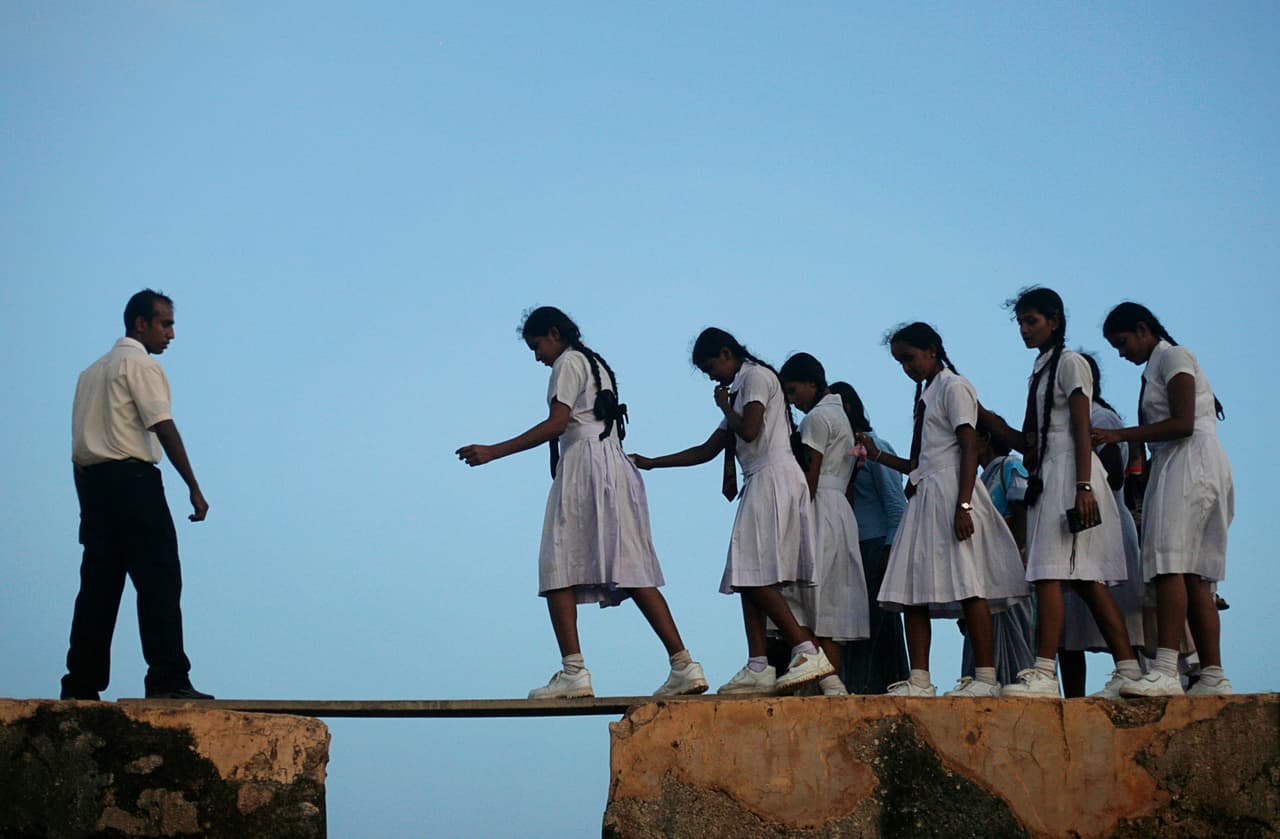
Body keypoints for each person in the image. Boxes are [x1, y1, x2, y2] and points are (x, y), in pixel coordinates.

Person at [456, 306, 706, 699]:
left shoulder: (568, 363)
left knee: (556, 563)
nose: (537, 356)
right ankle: (683, 663)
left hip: (586, 466)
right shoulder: (597, 364)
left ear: (554, 334)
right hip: (613, 464)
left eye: (537, 346)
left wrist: (493, 451)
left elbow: (558, 424)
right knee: (631, 565)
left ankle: (573, 670)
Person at [630, 328, 833, 695]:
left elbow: (751, 431)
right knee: (746, 571)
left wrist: (725, 406)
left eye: (711, 367)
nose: (711, 377)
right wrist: (652, 463)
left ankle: (806, 651)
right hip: (761, 479)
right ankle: (758, 664)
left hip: (773, 477)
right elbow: (707, 449)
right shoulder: (742, 387)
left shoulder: (754, 377)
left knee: (755, 575)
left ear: (726, 353)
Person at [982, 288, 1142, 699]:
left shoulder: (1070, 364)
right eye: (1019, 322)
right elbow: (1032, 439)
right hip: (1051, 473)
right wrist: (985, 417)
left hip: (1070, 475)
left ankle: (1042, 672)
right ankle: (1127, 668)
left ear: (1054, 320)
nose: (1024, 330)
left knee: (1050, 573)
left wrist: (1083, 487)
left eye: (1031, 321)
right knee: (1086, 580)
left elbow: (1079, 429)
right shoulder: (1041, 369)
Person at [856, 322, 1029, 697]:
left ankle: (985, 676)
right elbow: (919, 462)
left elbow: (968, 447)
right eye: (901, 362)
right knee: (912, 587)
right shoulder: (927, 395)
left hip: (952, 491)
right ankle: (920, 678)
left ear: (932, 350)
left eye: (911, 358)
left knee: (970, 583)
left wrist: (964, 504)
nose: (908, 368)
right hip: (926, 495)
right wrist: (879, 455)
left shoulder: (954, 387)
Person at [61, 289, 213, 701]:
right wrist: (193, 487)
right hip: (134, 482)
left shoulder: (90, 373)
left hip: (93, 486)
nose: (171, 333)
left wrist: (87, 500)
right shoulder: (139, 364)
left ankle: (81, 683)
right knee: (159, 579)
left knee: (98, 586)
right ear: (139, 323)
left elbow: (79, 446)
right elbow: (161, 424)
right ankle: (167, 677)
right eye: (165, 323)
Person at [1094, 302, 1233, 696]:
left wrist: (1121, 436)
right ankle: (1212, 676)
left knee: (1172, 565)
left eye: (1122, 342)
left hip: (1191, 463)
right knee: (1192, 575)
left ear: (1142, 329)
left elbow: (1183, 421)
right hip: (1180, 464)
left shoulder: (1174, 357)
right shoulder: (1154, 367)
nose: (1122, 353)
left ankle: (1168, 670)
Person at [777, 353, 870, 696]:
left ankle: (826, 682)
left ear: (812, 384)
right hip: (840, 512)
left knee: (803, 601)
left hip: (817, 509)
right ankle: (831, 687)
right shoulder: (841, 416)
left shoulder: (816, 419)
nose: (791, 398)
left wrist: (792, 520)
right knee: (827, 609)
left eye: (793, 389)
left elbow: (809, 476)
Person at [1057, 352, 1147, 697]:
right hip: (1075, 523)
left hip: (1104, 520)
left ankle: (1129, 679)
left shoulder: (1101, 416)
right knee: (1068, 624)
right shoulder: (1063, 419)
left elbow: (1113, 477)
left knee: (1120, 613)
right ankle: (1074, 697)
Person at [829, 381, 910, 694]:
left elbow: (896, 504)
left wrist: (890, 551)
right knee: (851, 624)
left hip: (876, 545)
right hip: (850, 547)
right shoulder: (841, 454)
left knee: (880, 625)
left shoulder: (875, 447)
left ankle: (884, 687)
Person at [956, 415, 1037, 686]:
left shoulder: (1009, 466)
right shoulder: (978, 479)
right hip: (986, 569)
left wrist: (1022, 550)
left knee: (1015, 638)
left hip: (1009, 566)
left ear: (985, 439)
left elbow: (1022, 507)